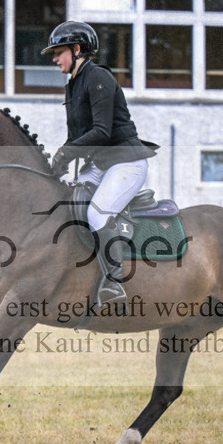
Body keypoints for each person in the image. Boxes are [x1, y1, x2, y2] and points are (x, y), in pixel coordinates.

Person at [42, 21, 157, 307]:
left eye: (59, 52)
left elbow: (102, 132)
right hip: (101, 163)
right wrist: (56, 168)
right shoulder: (73, 85)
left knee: (96, 216)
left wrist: (66, 152)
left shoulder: (98, 77)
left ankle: (113, 281)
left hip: (126, 162)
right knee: (69, 204)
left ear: (77, 49)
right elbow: (77, 138)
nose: (55, 58)